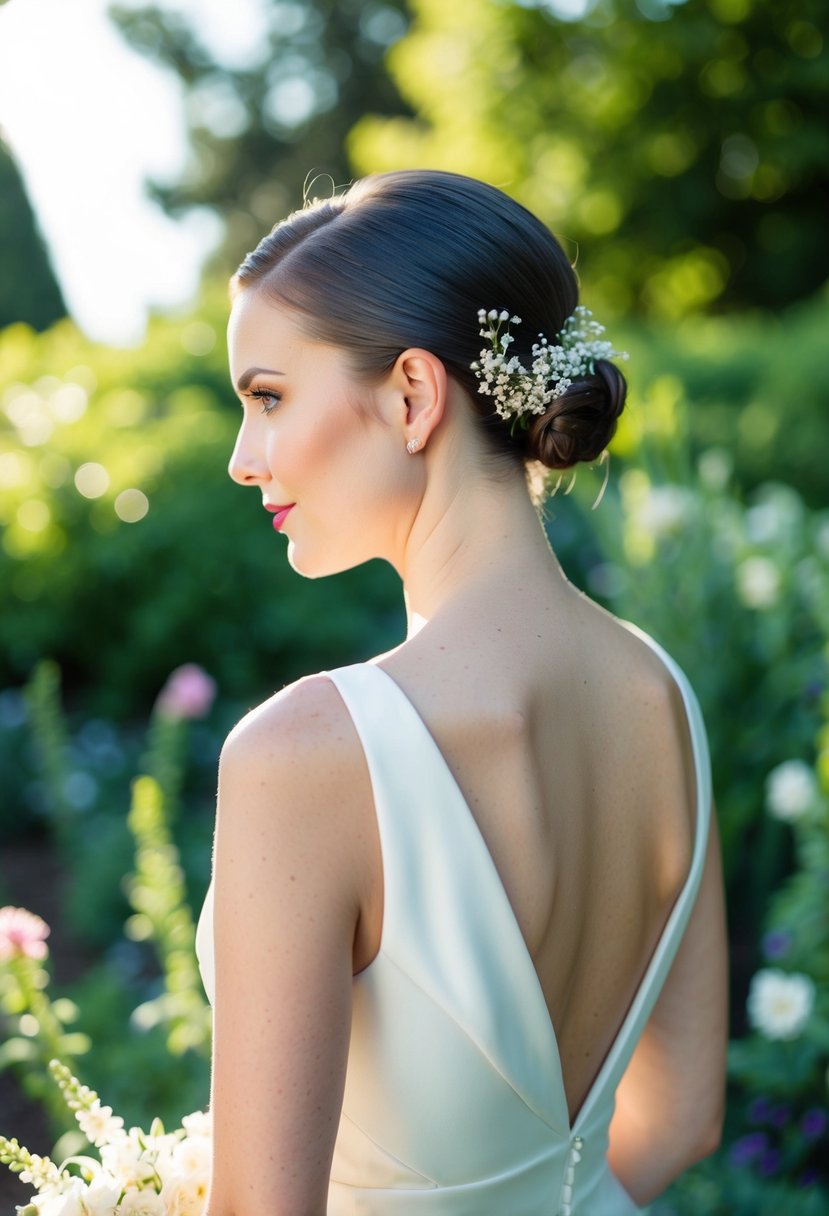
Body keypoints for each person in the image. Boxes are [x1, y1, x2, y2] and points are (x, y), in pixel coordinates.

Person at [195, 169, 728, 1216]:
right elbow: (680, 1118)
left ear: (411, 395)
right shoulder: (659, 696)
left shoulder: (306, 754)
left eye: (267, 398)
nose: (241, 458)